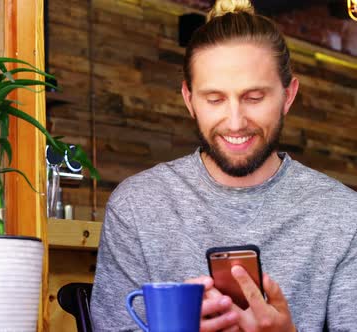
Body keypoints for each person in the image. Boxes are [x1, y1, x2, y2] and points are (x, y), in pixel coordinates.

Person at [90, 0, 357, 331]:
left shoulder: (343, 215)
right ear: (189, 100)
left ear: (288, 95)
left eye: (254, 98)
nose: (235, 122)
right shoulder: (137, 206)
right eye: (215, 99)